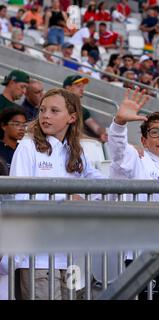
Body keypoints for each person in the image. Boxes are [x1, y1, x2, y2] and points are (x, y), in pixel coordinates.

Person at [10, 88, 104, 300]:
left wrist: (83, 199)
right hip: (38, 256)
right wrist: (68, 201)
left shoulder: (76, 152)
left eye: (54, 110)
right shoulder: (27, 147)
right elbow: (20, 200)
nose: (45, 116)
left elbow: (104, 186)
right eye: (42, 110)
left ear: (72, 117)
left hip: (72, 254)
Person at [62, 75, 108, 142]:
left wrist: (103, 133)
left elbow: (96, 128)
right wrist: (97, 140)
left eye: (83, 87)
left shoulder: (82, 109)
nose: (82, 89)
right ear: (68, 88)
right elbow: (70, 134)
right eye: (78, 86)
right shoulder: (59, 105)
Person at [0, 107, 27, 172]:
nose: (22, 128)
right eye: (17, 124)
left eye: (24, 125)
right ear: (3, 126)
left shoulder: (24, 149)